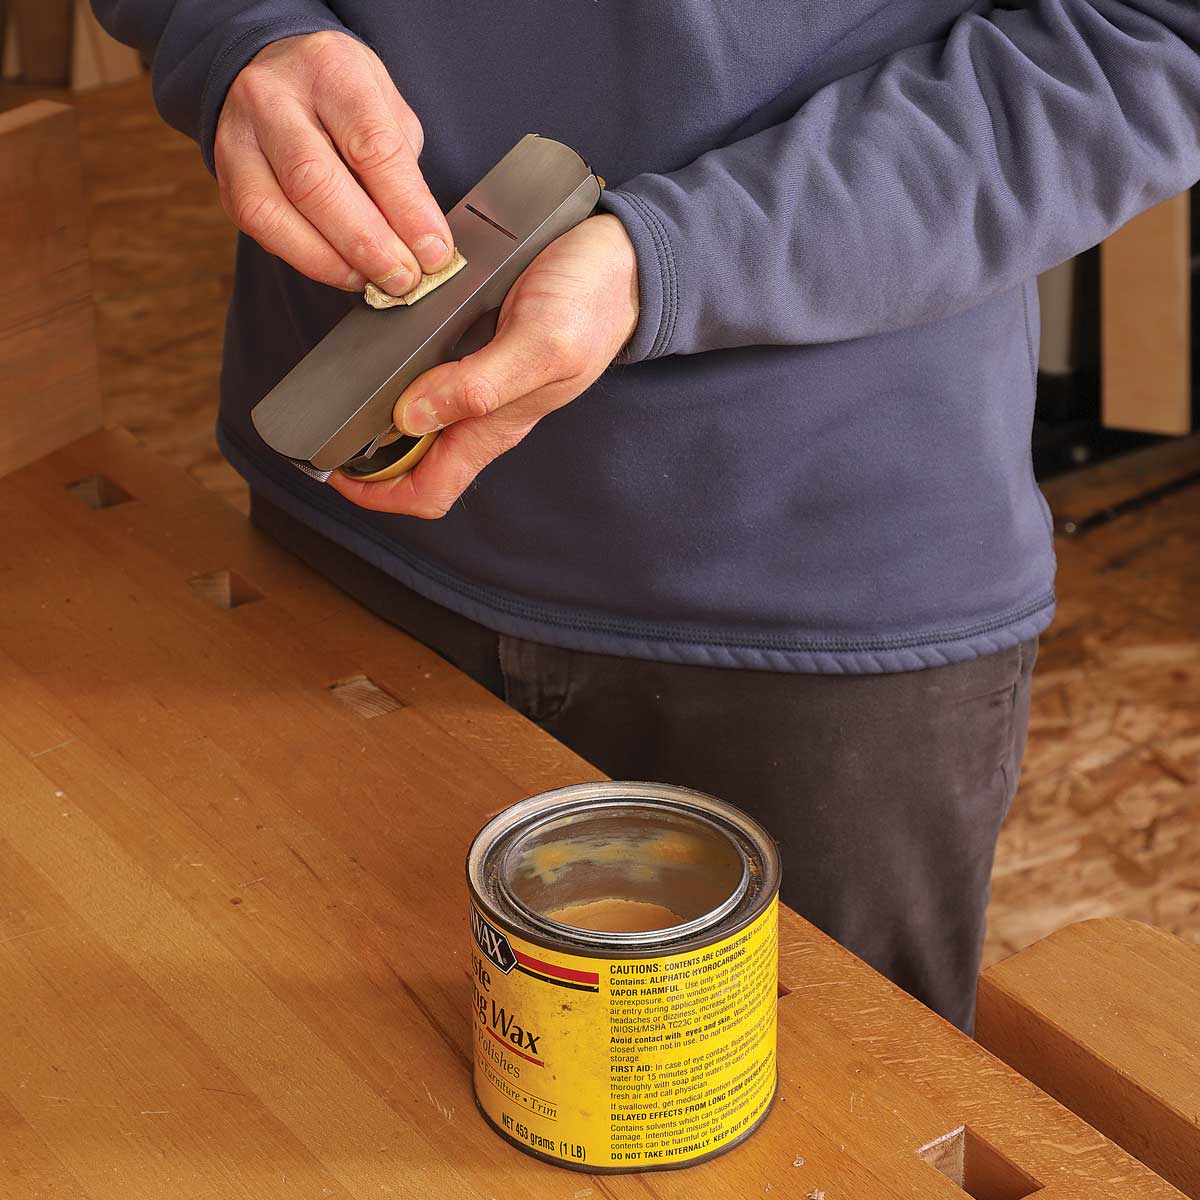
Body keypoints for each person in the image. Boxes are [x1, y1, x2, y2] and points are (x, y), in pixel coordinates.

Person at [93, 1, 1199, 1033]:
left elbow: (1150, 37)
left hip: (812, 608)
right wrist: (237, 30)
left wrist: (675, 258)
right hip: (354, 499)